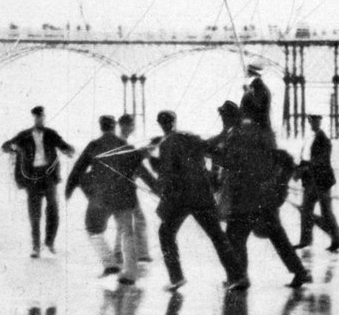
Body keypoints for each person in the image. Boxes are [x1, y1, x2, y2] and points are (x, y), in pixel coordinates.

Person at [211, 103, 309, 289]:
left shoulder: (239, 135)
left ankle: (241, 277)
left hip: (247, 197)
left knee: (235, 236)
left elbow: (233, 162)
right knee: (274, 236)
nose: (223, 120)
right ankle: (299, 272)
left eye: (224, 116)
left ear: (232, 117)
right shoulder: (247, 133)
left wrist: (215, 156)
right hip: (259, 196)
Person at [149, 109, 246, 292]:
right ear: (174, 121)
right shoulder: (190, 137)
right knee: (217, 236)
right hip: (202, 195)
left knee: (165, 234)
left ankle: (176, 278)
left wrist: (151, 162)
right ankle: (237, 276)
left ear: (160, 124)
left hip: (181, 199)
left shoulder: (166, 144)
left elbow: (166, 173)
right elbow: (213, 150)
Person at [66, 115, 156, 285]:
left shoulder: (94, 145)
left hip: (102, 197)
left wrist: (69, 190)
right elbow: (141, 170)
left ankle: (110, 263)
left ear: (101, 127)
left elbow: (78, 169)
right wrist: (157, 189)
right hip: (125, 197)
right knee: (127, 232)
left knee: (93, 229)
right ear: (114, 126)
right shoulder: (126, 146)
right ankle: (129, 273)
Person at [1, 105, 75, 257]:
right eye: (37, 117)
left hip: (49, 177)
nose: (40, 119)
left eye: (42, 116)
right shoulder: (24, 135)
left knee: (53, 208)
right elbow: (6, 146)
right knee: (34, 213)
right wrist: (13, 148)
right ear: (34, 118)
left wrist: (69, 150)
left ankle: (49, 242)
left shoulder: (51, 134)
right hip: (32, 177)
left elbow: (63, 146)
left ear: (44, 117)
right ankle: (35, 246)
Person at [294, 113, 339, 252]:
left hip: (322, 182)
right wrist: (299, 169)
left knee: (326, 213)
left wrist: (305, 167)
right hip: (312, 181)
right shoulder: (311, 138)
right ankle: (306, 241)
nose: (313, 124)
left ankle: (337, 240)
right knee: (306, 211)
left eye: (315, 122)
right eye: (311, 122)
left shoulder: (324, 140)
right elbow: (306, 158)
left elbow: (321, 160)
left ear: (319, 123)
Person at [115, 114, 153, 265]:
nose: (133, 128)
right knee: (137, 219)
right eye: (131, 125)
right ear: (125, 126)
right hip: (124, 189)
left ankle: (121, 252)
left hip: (120, 188)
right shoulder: (122, 144)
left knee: (126, 220)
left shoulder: (121, 143)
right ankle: (141, 253)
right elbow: (134, 165)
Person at [239, 64, 273, 139]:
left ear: (254, 75)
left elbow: (257, 105)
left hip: (258, 128)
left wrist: (247, 93)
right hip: (253, 126)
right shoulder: (255, 88)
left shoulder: (260, 88)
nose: (247, 75)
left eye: (249, 73)